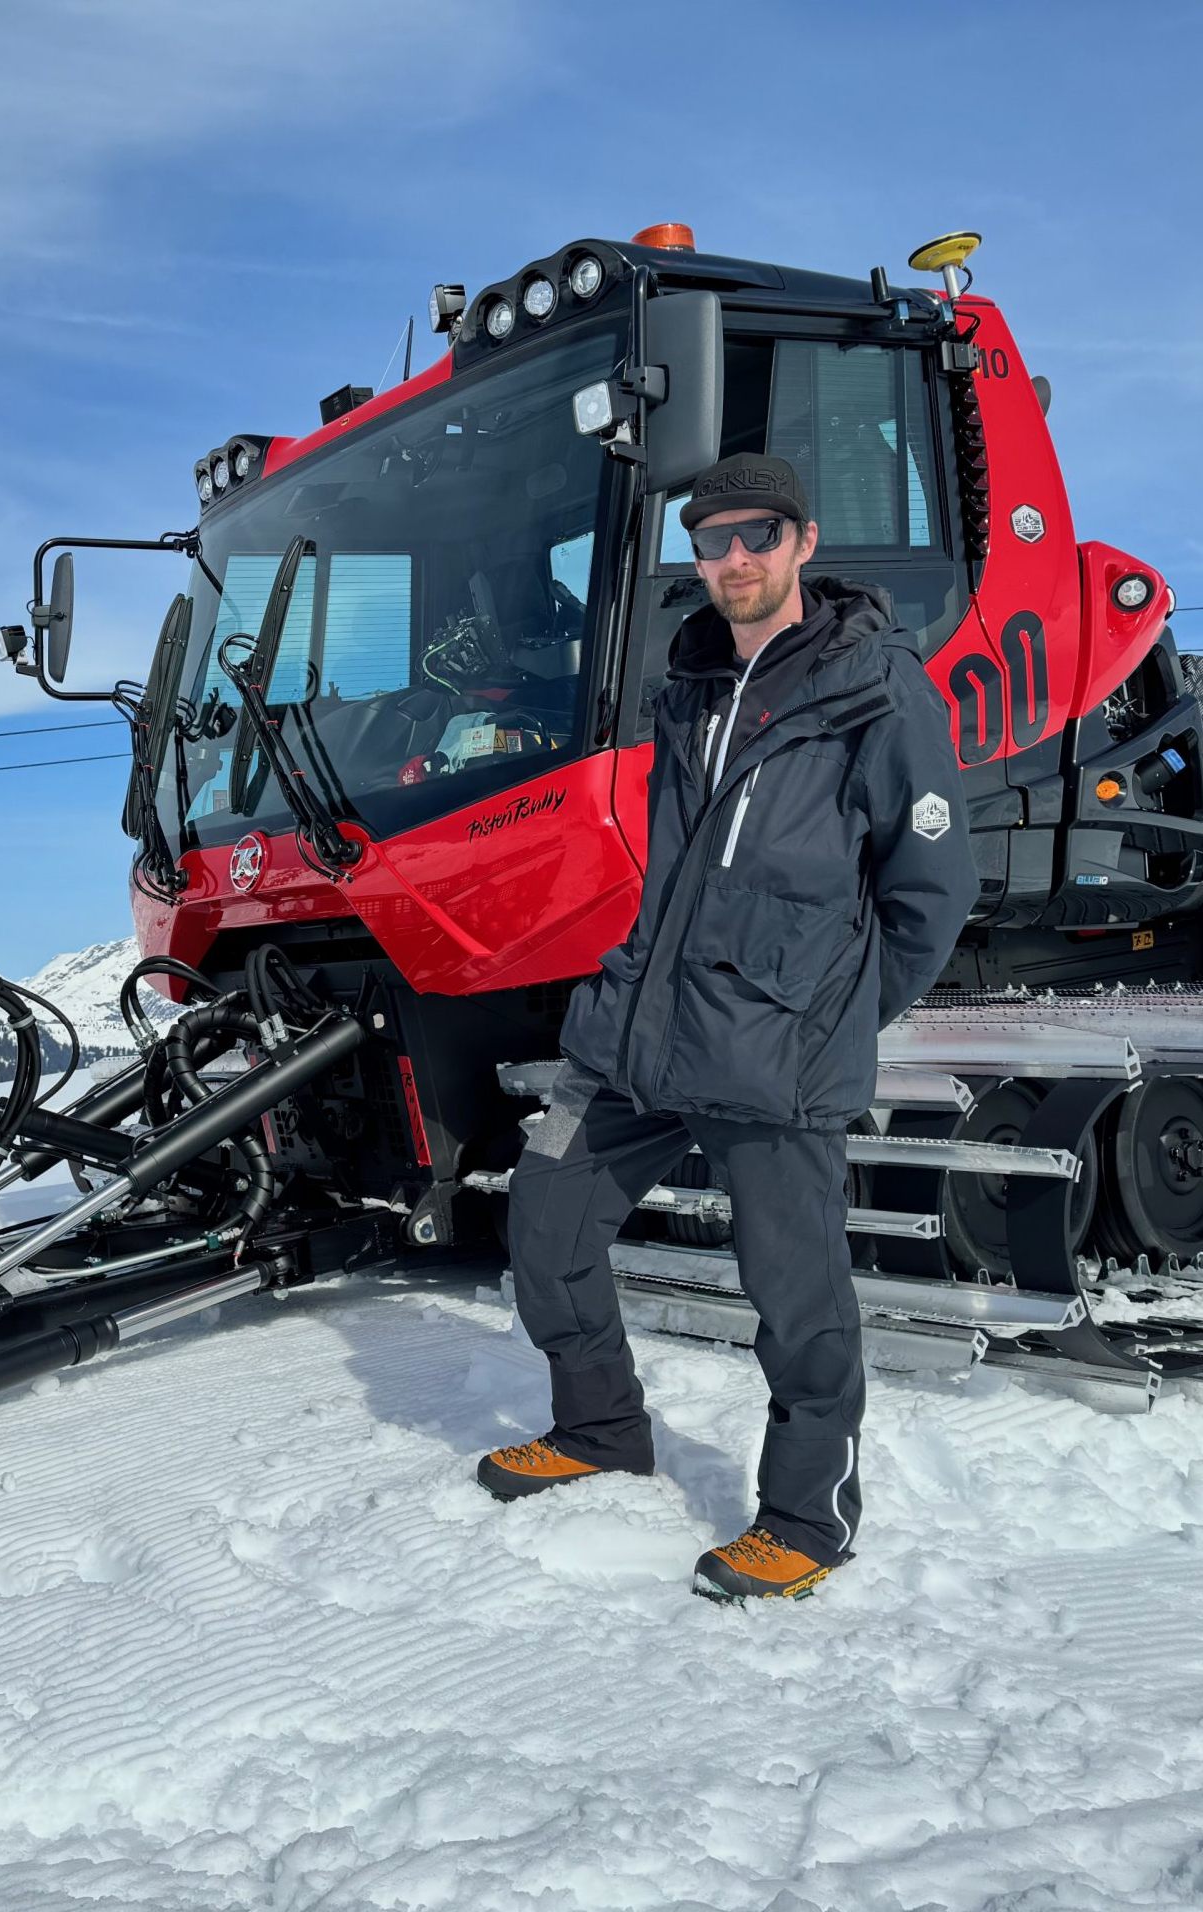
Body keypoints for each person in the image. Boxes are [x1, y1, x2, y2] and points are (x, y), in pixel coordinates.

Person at [477, 453, 978, 1602]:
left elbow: (928, 889)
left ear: (801, 541)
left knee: (796, 1301)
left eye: (756, 535)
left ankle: (806, 1516)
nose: (734, 559)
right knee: (545, 1223)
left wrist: (830, 1014)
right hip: (638, 1036)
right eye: (712, 541)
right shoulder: (690, 687)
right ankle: (600, 1426)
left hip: (773, 1051)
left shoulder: (874, 686)